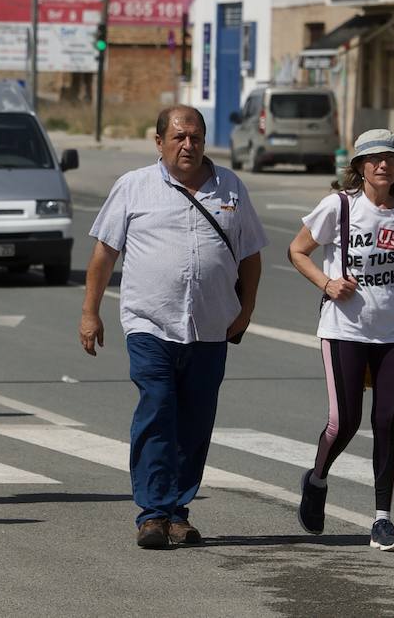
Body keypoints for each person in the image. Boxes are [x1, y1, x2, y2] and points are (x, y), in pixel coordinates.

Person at [79, 106, 265, 549]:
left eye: (196, 137)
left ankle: (177, 511)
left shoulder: (230, 188)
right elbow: (104, 255)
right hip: (150, 322)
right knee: (158, 410)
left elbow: (251, 255)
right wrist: (90, 312)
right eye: (179, 137)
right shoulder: (133, 187)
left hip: (210, 326)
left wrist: (246, 309)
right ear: (159, 141)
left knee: (195, 422)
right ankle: (152, 513)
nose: (188, 145)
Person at [287, 129, 394, 553]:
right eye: (374, 159)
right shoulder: (340, 206)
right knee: (344, 422)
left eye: (391, 158)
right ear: (360, 166)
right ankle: (316, 479)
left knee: (387, 421)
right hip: (344, 329)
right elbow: (297, 250)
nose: (383, 165)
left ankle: (382, 520)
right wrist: (327, 283)